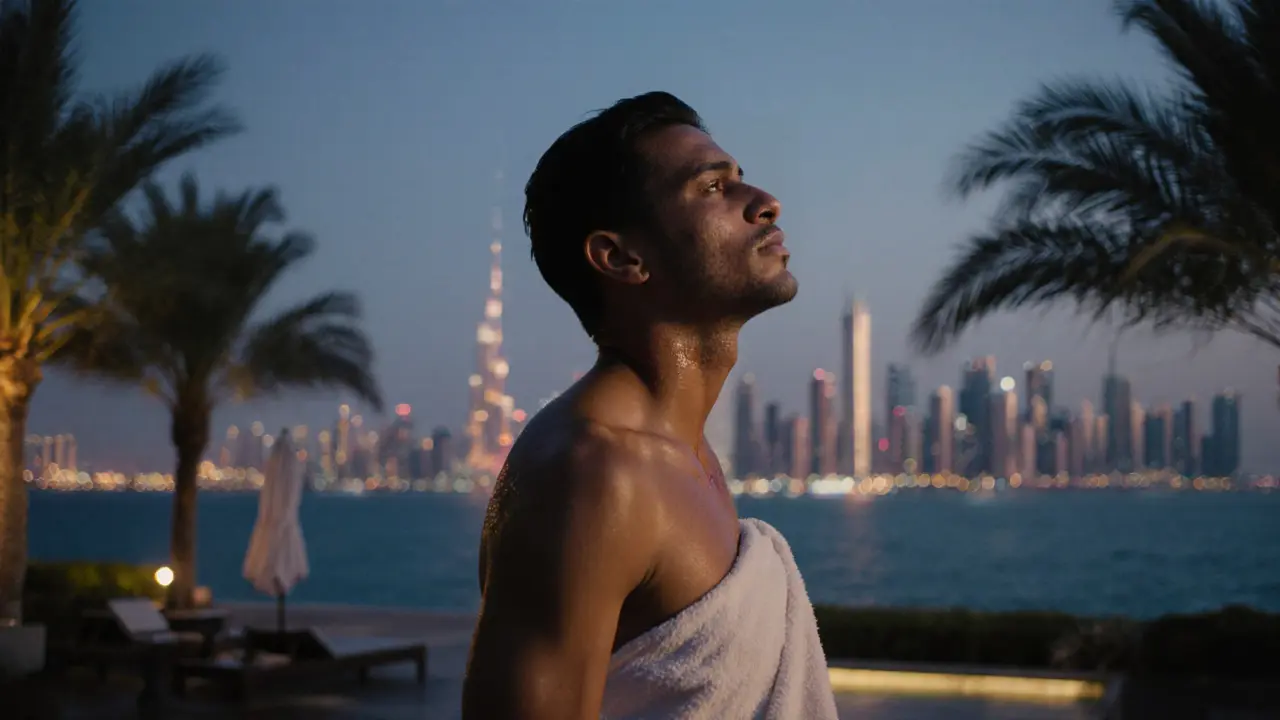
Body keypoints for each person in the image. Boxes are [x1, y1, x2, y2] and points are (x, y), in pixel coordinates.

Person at [462, 92, 838, 720]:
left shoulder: (679, 445)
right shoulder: (593, 473)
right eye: (713, 188)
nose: (764, 202)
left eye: (739, 179)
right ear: (621, 257)